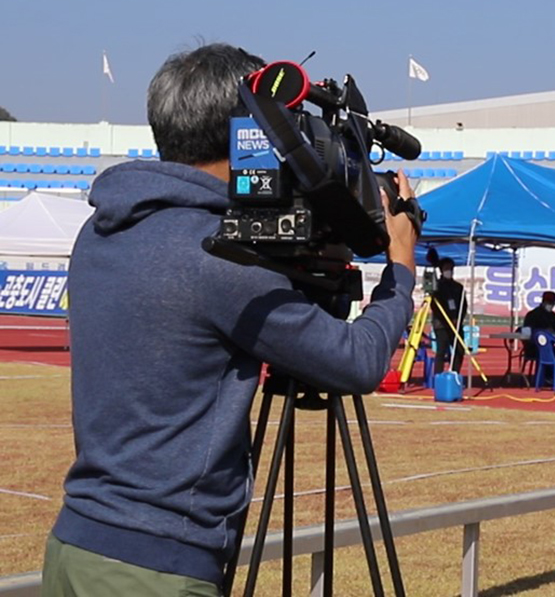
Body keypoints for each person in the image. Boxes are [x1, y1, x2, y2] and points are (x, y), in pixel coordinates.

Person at [41, 44, 419, 596]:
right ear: (254, 131)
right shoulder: (220, 257)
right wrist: (400, 267)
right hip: (157, 569)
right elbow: (357, 362)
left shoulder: (101, 228)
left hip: (75, 547)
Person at [432, 257, 466, 374]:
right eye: (446, 268)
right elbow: (435, 307)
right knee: (441, 351)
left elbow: (463, 305)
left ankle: (455, 373)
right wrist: (447, 320)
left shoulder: (458, 287)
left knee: (459, 350)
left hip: (456, 324)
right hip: (442, 325)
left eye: (451, 268)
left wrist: (458, 319)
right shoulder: (437, 287)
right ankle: (438, 376)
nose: (449, 271)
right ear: (441, 270)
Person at [522, 291, 555, 361]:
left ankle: (550, 368)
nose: (551, 305)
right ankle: (549, 368)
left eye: (553, 303)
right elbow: (526, 333)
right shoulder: (532, 315)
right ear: (543, 301)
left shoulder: (553, 316)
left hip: (548, 347)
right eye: (549, 303)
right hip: (534, 349)